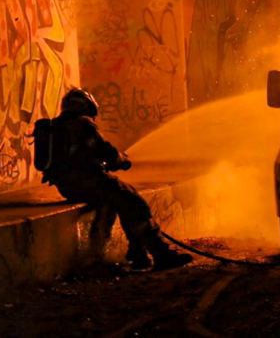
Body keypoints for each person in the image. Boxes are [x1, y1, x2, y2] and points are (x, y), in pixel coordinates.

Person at [42, 88, 193, 270]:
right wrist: (122, 160)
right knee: (134, 202)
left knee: (124, 197)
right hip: (89, 182)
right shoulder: (83, 124)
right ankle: (160, 253)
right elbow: (105, 151)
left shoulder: (57, 126)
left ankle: (138, 254)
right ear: (85, 106)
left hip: (69, 186)